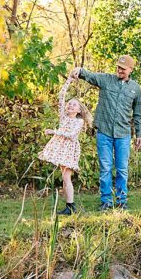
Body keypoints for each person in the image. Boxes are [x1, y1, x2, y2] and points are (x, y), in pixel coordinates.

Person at [70, 55, 141, 211]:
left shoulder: (135, 89)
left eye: (123, 69)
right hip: (104, 131)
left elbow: (138, 114)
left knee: (122, 169)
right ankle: (106, 201)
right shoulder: (106, 80)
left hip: (123, 134)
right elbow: (90, 76)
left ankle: (121, 200)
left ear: (130, 69)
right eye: (118, 67)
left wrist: (139, 134)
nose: (119, 70)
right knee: (105, 167)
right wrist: (80, 71)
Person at [37, 75, 91, 216]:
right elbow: (61, 96)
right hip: (60, 149)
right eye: (69, 103)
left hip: (69, 150)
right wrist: (68, 81)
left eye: (74, 105)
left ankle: (71, 206)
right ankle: (69, 206)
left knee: (67, 178)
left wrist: (54, 131)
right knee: (64, 178)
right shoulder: (63, 117)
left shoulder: (79, 122)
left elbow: (72, 135)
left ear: (79, 110)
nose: (70, 105)